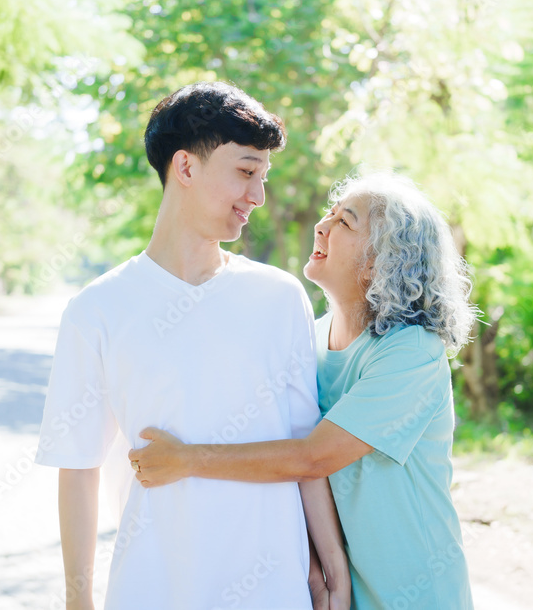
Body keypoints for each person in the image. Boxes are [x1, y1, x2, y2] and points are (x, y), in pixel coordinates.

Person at [34, 81, 349, 610]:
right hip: (152, 589)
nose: (258, 196)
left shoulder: (279, 297)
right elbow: (78, 466)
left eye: (263, 177)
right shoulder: (98, 309)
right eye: (246, 172)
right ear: (185, 166)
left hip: (273, 591)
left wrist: (331, 572)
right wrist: (77, 601)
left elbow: (304, 452)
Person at [131, 173, 477, 609]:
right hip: (341, 596)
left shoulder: (411, 352)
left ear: (380, 261)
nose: (321, 226)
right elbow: (294, 472)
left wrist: (186, 460)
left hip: (419, 595)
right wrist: (317, 573)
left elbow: (313, 458)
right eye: (329, 214)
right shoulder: (309, 340)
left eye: (344, 222)